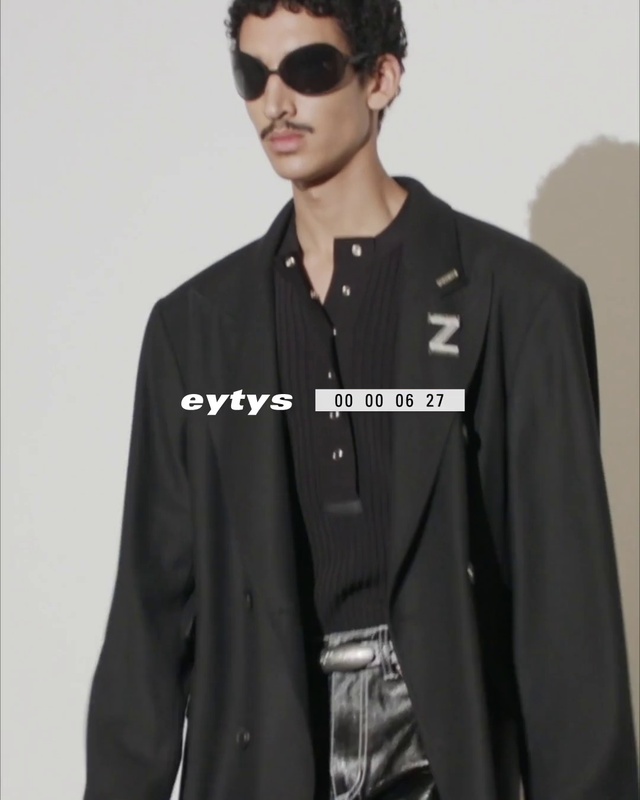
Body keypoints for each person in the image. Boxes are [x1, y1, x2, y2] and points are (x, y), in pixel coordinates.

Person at [82, 2, 639, 799]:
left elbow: (567, 613)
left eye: (308, 69)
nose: (276, 103)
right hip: (267, 750)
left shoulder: (519, 302)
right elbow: (150, 609)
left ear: (381, 78)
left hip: (440, 746)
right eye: (253, 76)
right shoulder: (196, 329)